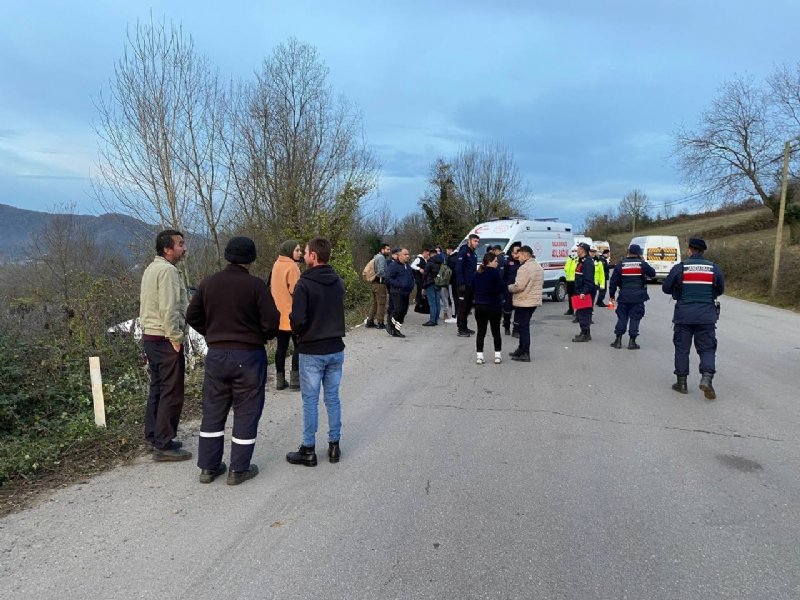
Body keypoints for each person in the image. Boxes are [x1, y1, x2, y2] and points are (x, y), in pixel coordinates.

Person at [186, 236, 280, 485]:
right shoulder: (256, 286)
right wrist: (260, 336)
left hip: (217, 355)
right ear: (251, 259)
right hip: (249, 355)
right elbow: (272, 321)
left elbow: (191, 315)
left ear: (227, 256)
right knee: (247, 411)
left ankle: (208, 467)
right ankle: (238, 470)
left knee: (213, 410)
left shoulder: (209, 283)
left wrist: (213, 333)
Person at [286, 237, 347, 467]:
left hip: (312, 349)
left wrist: (296, 328)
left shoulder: (304, 284)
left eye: (307, 252)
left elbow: (299, 318)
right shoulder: (338, 282)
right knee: (332, 398)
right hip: (335, 347)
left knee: (310, 401)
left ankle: (308, 448)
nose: (304, 255)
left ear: (313, 256)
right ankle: (334, 446)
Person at [139, 229, 191, 462]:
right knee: (172, 390)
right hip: (164, 337)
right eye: (180, 244)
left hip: (150, 335)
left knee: (158, 388)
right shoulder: (168, 271)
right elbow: (169, 308)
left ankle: (153, 436)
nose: (184, 248)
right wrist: (176, 338)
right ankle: (164, 444)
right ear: (167, 249)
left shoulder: (151, 269)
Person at [662, 238, 724, 399]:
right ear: (703, 251)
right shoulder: (714, 268)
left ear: (690, 250)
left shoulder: (680, 268)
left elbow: (666, 288)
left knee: (682, 348)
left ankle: (681, 383)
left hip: (684, 315)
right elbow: (721, 290)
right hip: (706, 315)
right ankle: (707, 378)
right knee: (707, 348)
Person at [608, 244, 656, 350]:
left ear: (628, 252)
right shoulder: (642, 265)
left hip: (624, 295)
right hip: (638, 297)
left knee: (622, 317)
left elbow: (613, 282)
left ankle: (618, 340)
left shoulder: (621, 264)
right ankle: (632, 341)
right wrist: (643, 261)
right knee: (635, 318)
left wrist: (612, 296)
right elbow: (652, 273)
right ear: (639, 254)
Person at [271, 239, 303, 391]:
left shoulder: (276, 265)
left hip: (278, 316)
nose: (300, 252)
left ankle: (280, 380)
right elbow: (296, 292)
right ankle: (295, 380)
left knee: (281, 348)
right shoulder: (292, 267)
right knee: (298, 346)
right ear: (290, 250)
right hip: (292, 315)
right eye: (297, 250)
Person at [507, 245, 544, 362]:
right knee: (523, 326)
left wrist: (509, 288)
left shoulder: (524, 268)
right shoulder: (538, 266)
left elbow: (519, 286)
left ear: (525, 255)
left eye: (519, 255)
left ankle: (525, 352)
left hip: (524, 301)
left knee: (523, 328)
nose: (518, 258)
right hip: (533, 301)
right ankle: (521, 349)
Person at [472, 253, 505, 364]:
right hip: (493, 305)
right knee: (496, 331)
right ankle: (497, 355)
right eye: (495, 261)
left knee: (481, 332)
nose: (497, 262)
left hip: (480, 306)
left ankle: (479, 356)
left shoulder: (477, 274)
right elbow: (501, 288)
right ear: (489, 262)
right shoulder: (495, 273)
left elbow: (473, 288)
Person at [385, 247, 414, 338]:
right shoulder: (393, 266)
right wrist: (400, 284)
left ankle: (396, 330)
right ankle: (390, 323)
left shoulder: (408, 266)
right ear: (399, 255)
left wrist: (411, 285)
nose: (407, 256)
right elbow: (388, 279)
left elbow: (410, 278)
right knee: (399, 309)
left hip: (406, 292)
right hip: (397, 292)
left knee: (404, 311)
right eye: (405, 254)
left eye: (408, 254)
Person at [455, 234, 480, 337]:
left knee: (468, 308)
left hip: (471, 285)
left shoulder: (473, 254)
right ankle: (461, 329)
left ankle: (465, 327)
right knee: (462, 308)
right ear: (469, 241)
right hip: (463, 286)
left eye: (478, 242)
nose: (477, 243)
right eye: (475, 241)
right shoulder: (463, 252)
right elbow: (458, 269)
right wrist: (461, 283)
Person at [572, 242, 597, 342]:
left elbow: (589, 280)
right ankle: (584, 332)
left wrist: (584, 292)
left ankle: (585, 334)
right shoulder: (581, 261)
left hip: (584, 292)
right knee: (581, 313)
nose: (577, 250)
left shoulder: (588, 262)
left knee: (585, 314)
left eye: (578, 248)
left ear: (583, 250)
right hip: (579, 291)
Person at [365, 243, 391, 330]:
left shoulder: (376, 257)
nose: (389, 251)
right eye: (387, 249)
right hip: (380, 284)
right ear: (382, 249)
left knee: (375, 303)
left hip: (374, 284)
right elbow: (381, 271)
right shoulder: (381, 258)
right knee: (381, 304)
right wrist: (387, 276)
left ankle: (370, 321)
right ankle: (380, 323)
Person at [502, 242, 522, 336]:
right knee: (507, 310)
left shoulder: (523, 262)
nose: (516, 255)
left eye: (518, 252)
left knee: (519, 311)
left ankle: (516, 330)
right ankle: (506, 326)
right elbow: (503, 277)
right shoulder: (507, 262)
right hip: (508, 290)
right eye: (515, 252)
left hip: (519, 290)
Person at [421, 250, 443, 326]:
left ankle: (432, 320)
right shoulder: (441, 262)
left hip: (430, 284)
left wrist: (423, 286)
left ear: (430, 255)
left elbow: (425, 275)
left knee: (432, 303)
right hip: (439, 283)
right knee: (437, 302)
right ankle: (436, 318)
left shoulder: (430, 263)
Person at [410, 248, 430, 314]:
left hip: (423, 279)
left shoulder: (425, 260)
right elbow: (412, 265)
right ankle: (419, 306)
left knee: (422, 293)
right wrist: (419, 269)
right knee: (420, 292)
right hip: (419, 279)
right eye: (427, 254)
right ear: (424, 253)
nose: (428, 255)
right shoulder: (419, 259)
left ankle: (421, 306)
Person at [563, 245, 578, 316]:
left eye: (575, 251)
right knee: (570, 296)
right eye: (573, 251)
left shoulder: (578, 259)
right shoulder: (569, 258)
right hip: (569, 280)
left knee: (576, 296)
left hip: (575, 280)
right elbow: (566, 267)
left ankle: (576, 310)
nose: (574, 252)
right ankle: (571, 309)